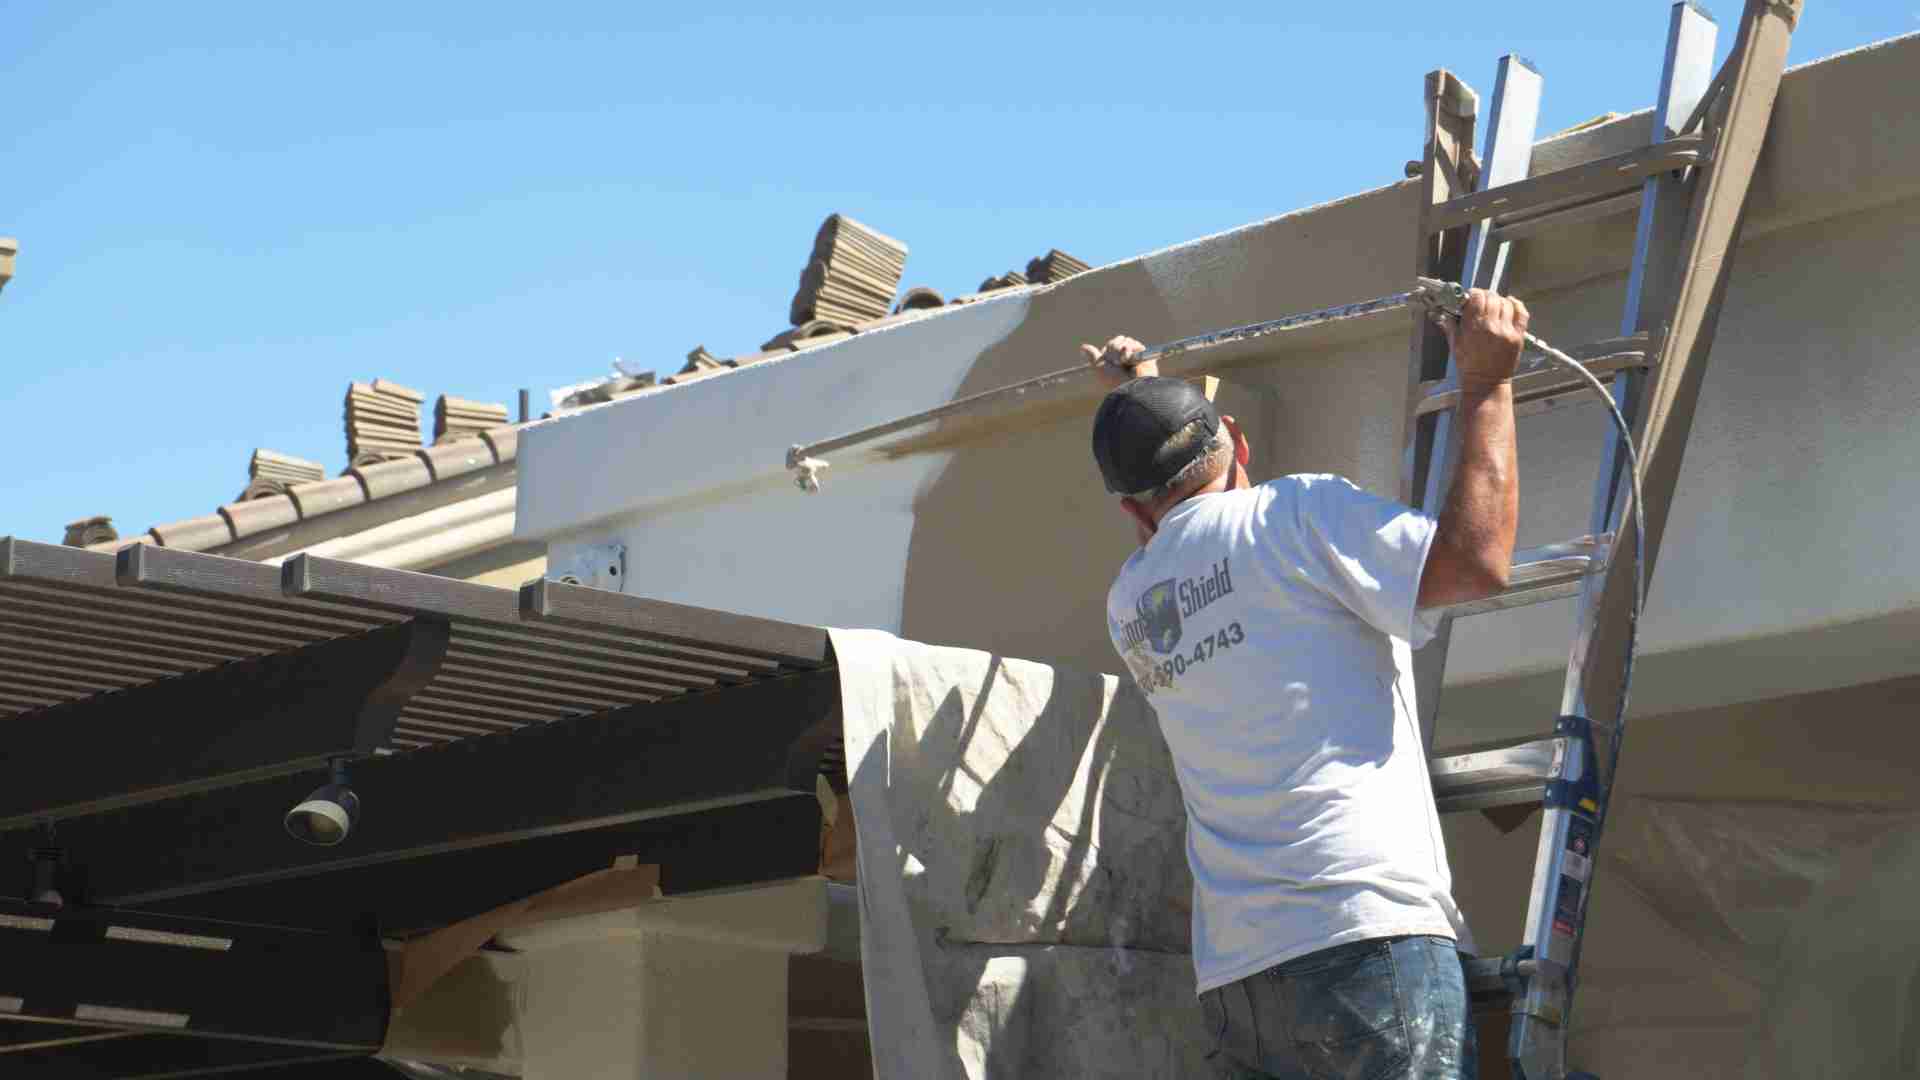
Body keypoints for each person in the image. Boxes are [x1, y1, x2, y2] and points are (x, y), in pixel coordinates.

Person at [1084, 289, 1528, 1079]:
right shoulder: (1297, 517)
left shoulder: (1132, 607)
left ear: (1130, 512)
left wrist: (1139, 399)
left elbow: (1201, 548)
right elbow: (1475, 562)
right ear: (1241, 444)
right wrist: (1487, 383)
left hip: (1239, 980)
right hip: (1363, 938)